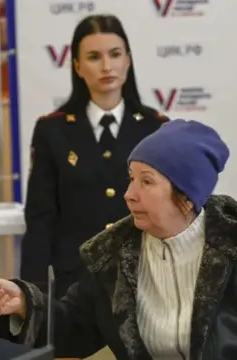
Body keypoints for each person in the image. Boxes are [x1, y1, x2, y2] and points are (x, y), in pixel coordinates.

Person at [0, 119, 237, 359]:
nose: (129, 194)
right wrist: (24, 304)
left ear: (187, 196)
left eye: (147, 182)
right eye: (131, 178)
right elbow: (75, 326)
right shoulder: (115, 255)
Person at [20, 14, 169, 296]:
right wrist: (33, 296)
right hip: (74, 284)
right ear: (77, 66)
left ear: (128, 60)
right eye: (93, 57)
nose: (106, 66)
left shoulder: (157, 127)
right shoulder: (53, 130)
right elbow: (40, 220)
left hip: (146, 279)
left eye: (115, 54)